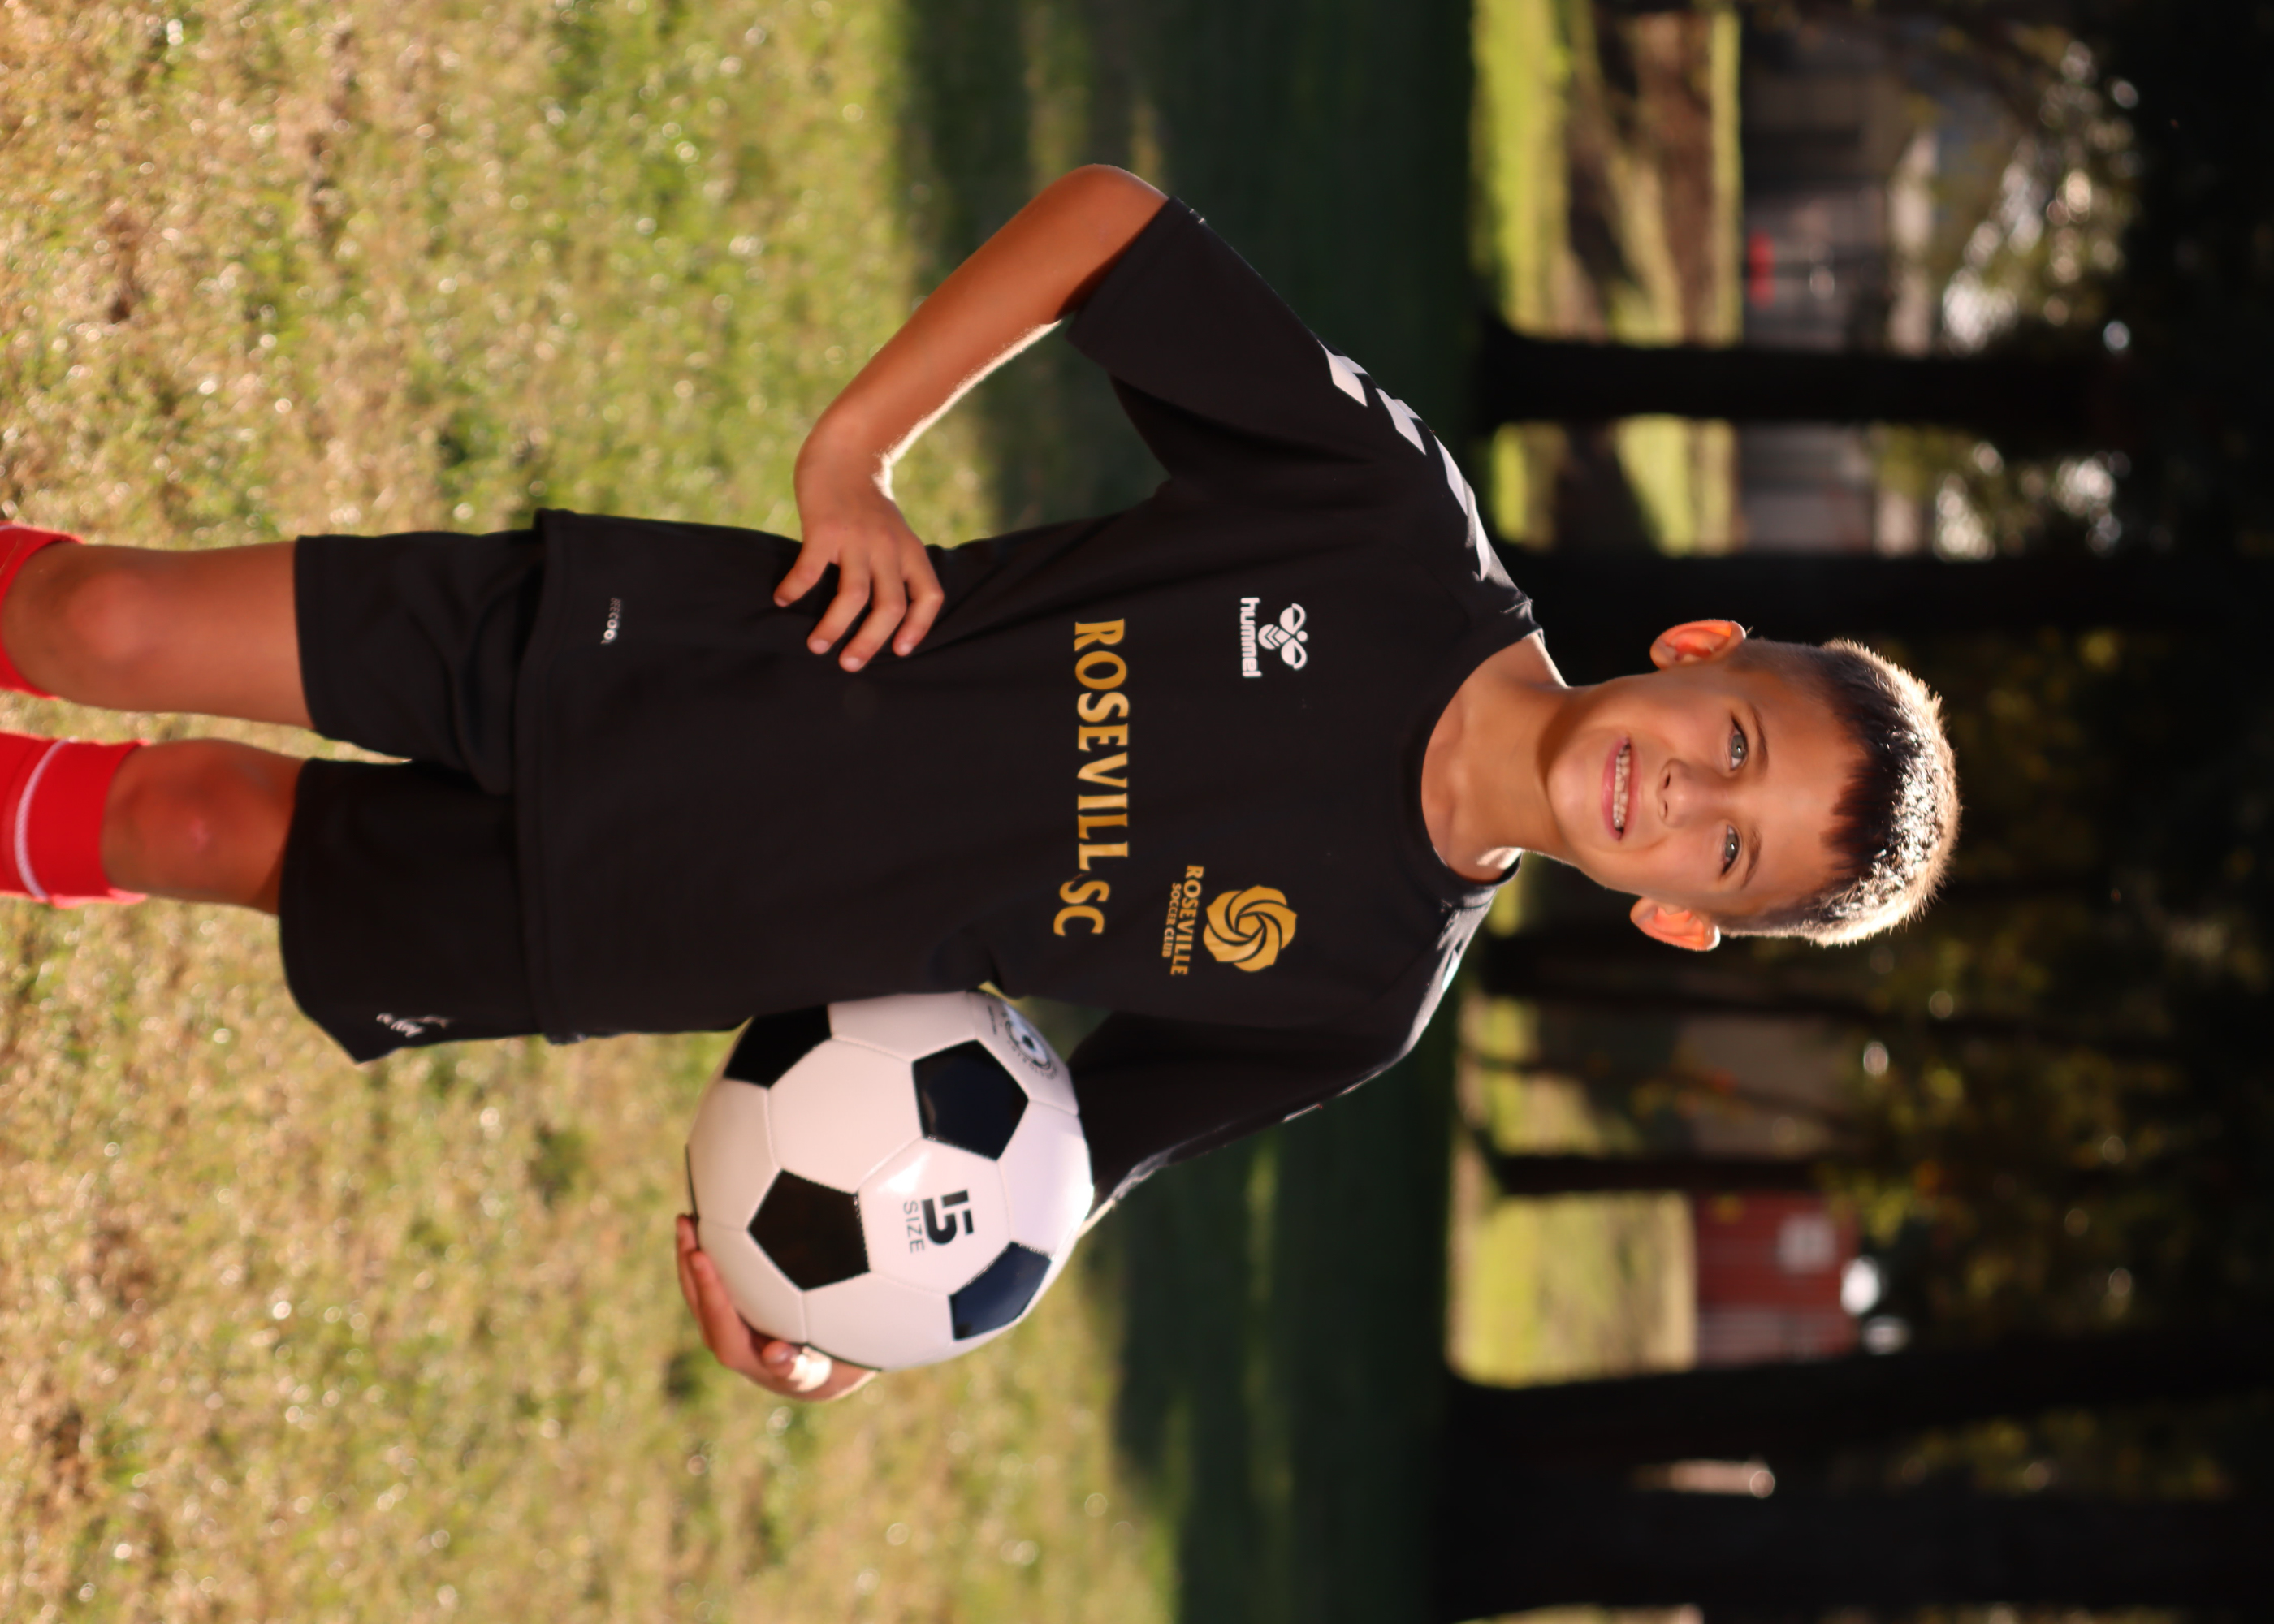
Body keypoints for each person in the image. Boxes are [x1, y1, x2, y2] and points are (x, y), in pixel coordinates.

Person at [0, 166, 1956, 1402]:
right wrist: (853, 455)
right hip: (672, 650)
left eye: (1726, 850)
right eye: (1731, 745)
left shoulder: (1357, 994)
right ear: (1700, 651)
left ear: (1680, 915)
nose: (1679, 796)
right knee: (110, 621)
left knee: (191, 828)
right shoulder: (1387, 527)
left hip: (660, 925)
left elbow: (1050, 1180)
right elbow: (1109, 226)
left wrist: (840, 1317)